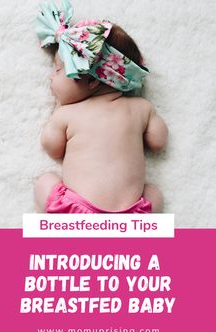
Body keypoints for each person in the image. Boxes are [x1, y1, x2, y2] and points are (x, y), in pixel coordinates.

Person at [34, 0, 168, 214]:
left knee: (44, 182)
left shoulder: (67, 114)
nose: (51, 77)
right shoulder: (141, 108)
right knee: (154, 194)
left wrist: (57, 108)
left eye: (59, 70)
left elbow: (52, 147)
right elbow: (159, 142)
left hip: (76, 212)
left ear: (92, 81)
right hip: (130, 216)